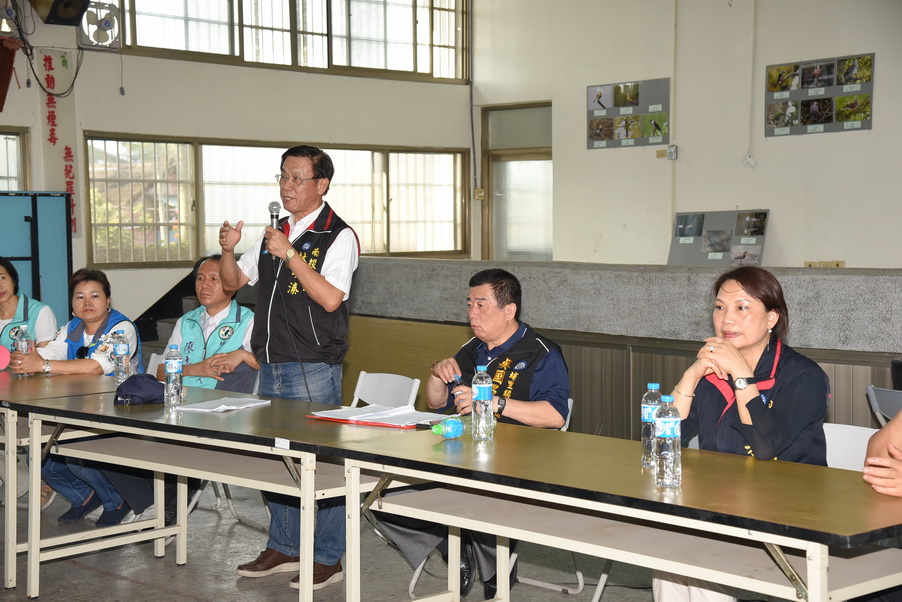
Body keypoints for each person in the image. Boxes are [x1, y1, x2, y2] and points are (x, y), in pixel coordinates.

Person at [378, 268, 571, 599]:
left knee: (480, 497)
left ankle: (492, 559)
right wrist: (438, 374)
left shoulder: (540, 352)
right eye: (469, 304)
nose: (471, 314)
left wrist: (494, 402)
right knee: (383, 497)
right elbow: (437, 403)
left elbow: (555, 416)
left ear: (509, 310)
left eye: (481, 305)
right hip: (465, 453)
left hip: (519, 461)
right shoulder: (474, 347)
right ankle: (455, 549)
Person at [219, 145, 359, 591]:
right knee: (277, 457)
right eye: (283, 176)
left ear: (322, 185)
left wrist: (291, 254)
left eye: (298, 178)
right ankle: (284, 544)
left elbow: (331, 297)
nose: (287, 185)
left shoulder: (338, 236)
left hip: (312, 364)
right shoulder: (273, 233)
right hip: (271, 360)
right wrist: (227, 250)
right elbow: (231, 283)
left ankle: (328, 556)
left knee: (322, 463)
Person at [654, 266, 829, 602]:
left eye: (742, 307)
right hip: (718, 503)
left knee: (705, 567)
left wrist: (741, 375)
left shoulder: (803, 376)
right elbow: (662, 442)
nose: (726, 319)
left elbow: (765, 446)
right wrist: (690, 378)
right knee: (668, 559)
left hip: (790, 511)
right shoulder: (710, 374)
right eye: (720, 307)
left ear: (771, 318)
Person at [103, 255, 259, 522]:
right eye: (200, 278)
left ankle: (168, 507)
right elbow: (162, 371)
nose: (204, 285)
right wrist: (195, 369)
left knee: (171, 443)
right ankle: (153, 502)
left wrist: (244, 355)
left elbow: (265, 363)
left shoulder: (248, 319)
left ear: (233, 284)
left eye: (214, 278)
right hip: (180, 404)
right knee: (114, 439)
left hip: (221, 412)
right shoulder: (186, 321)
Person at [11, 268, 144, 527]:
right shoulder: (72, 327)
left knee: (75, 455)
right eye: (79, 297)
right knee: (38, 455)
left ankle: (116, 500)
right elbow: (53, 352)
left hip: (119, 409)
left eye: (95, 296)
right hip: (78, 408)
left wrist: (43, 365)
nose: (87, 302)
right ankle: (84, 496)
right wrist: (31, 357)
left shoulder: (121, 328)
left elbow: (96, 366)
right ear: (72, 304)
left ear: (107, 301)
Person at [0, 256, 58, 501]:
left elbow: (50, 357)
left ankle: (24, 481)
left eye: (2, 278)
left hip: (32, 392)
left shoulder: (38, 312)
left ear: (13, 279)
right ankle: (20, 479)